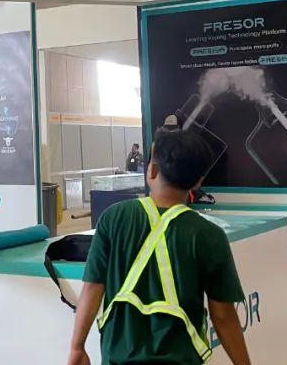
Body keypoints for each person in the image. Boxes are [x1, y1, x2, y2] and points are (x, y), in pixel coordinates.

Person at [68, 127, 252, 365]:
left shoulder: (113, 219)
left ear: (152, 170)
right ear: (198, 181)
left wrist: (77, 347)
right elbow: (223, 315)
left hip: (118, 358)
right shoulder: (208, 235)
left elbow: (92, 288)